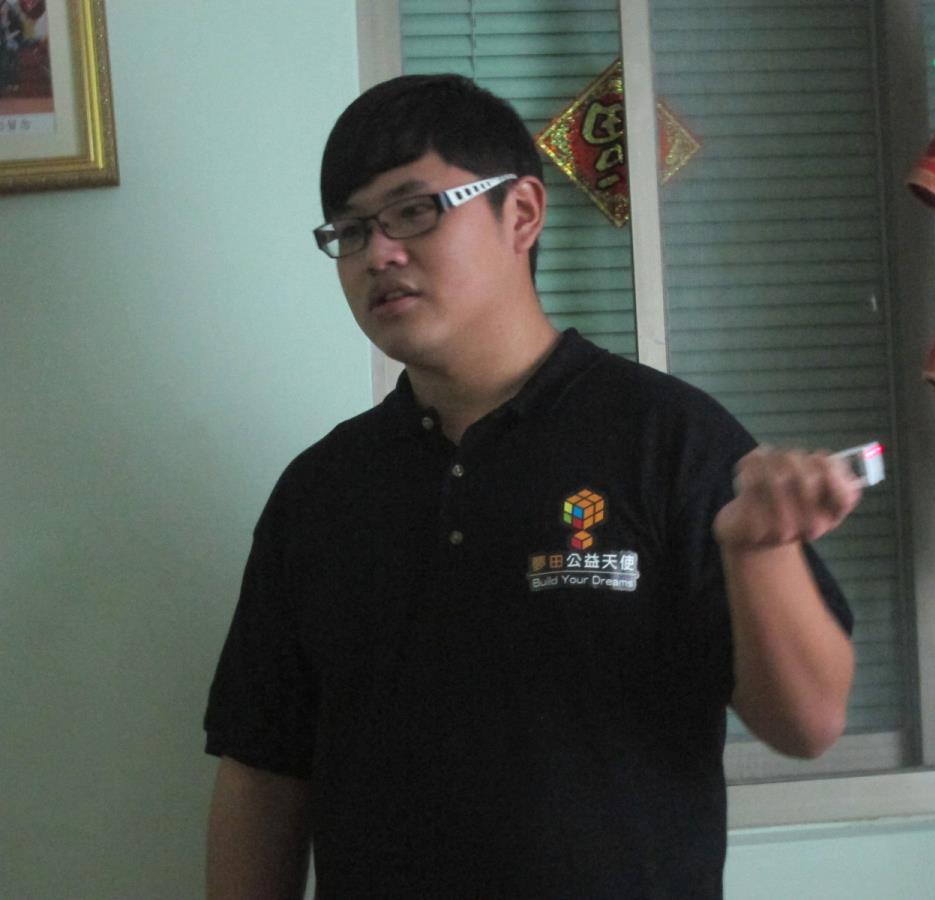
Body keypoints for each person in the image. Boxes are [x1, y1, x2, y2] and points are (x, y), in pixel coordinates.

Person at [204, 73, 859, 899]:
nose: (379, 253)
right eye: (352, 230)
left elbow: (808, 725)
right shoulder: (320, 492)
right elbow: (263, 771)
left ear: (521, 213)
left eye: (414, 212)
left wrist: (758, 555)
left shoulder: (668, 438)